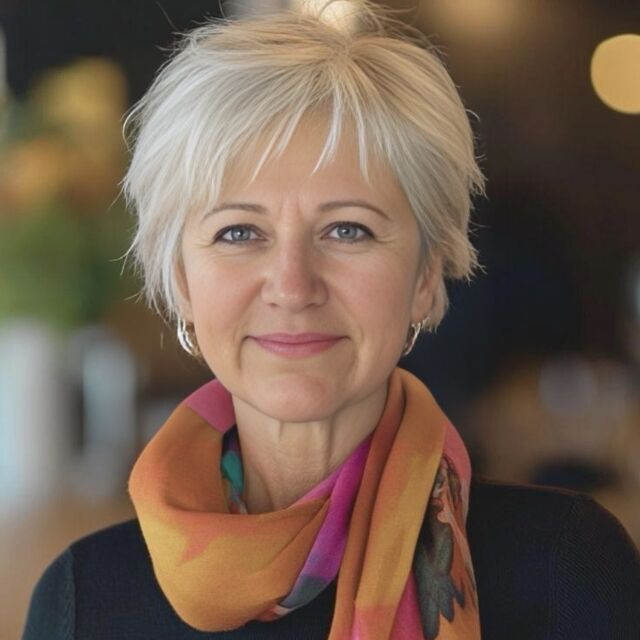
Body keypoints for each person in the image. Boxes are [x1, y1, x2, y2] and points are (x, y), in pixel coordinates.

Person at [23, 2, 640, 638]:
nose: (293, 287)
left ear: (425, 277)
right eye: (239, 232)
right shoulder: (83, 601)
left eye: (348, 229)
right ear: (181, 281)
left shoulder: (569, 570)